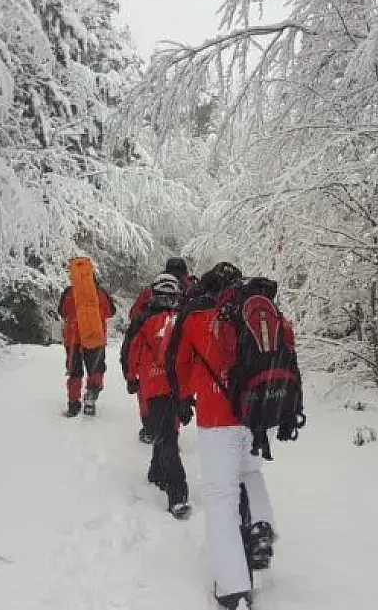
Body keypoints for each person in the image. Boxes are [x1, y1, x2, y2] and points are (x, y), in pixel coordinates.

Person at [165, 262, 278, 610]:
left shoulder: (197, 316)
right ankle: (260, 525)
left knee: (220, 498)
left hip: (218, 418)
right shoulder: (257, 311)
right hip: (260, 413)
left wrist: (184, 399)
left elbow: (178, 364)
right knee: (250, 472)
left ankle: (233, 588)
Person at [123, 273, 191, 518]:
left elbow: (132, 350)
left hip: (153, 386)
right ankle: (174, 490)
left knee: (165, 435)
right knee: (168, 435)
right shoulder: (184, 320)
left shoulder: (143, 319)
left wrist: (131, 377)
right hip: (178, 386)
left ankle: (165, 481)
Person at [121, 257, 197, 439]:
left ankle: (150, 429)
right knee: (174, 392)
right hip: (178, 361)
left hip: (150, 360)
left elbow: (134, 316)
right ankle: (171, 430)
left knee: (148, 391)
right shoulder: (191, 290)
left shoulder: (151, 292)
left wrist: (130, 375)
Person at [58, 266, 116, 417]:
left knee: (74, 372)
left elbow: (62, 311)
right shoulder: (100, 293)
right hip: (95, 337)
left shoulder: (70, 292)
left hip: (73, 339)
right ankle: (91, 396)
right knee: (96, 369)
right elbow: (111, 311)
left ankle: (73, 404)